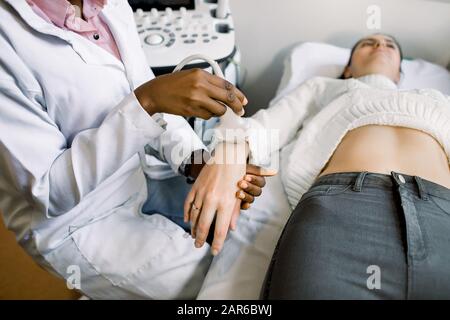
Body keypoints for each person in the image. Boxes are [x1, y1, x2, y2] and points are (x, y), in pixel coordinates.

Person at [0, 0, 269, 299]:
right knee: (216, 287)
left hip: (131, 180)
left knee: (247, 238)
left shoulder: (108, 5)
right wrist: (147, 101)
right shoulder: (7, 43)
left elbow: (148, 98)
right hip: (75, 224)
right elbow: (48, 191)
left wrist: (199, 163)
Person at [188, 33, 450, 299]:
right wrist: (229, 155)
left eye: (390, 44)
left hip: (441, 219)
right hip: (342, 213)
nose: (380, 45)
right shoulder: (324, 88)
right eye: (367, 43)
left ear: (400, 73)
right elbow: (264, 128)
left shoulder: (436, 99)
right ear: (347, 69)